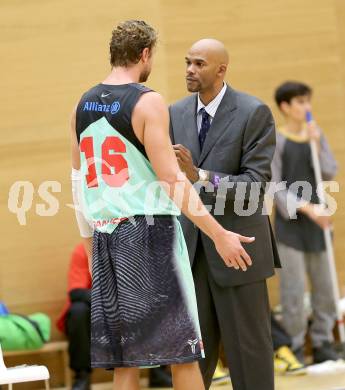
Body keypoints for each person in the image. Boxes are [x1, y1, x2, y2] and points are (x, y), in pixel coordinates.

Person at [70, 21, 255, 390]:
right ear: (145, 54)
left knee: (126, 363)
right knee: (182, 355)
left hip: (107, 237)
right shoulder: (147, 100)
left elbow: (77, 182)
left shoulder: (82, 104)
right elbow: (173, 181)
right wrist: (218, 234)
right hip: (149, 236)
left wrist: (91, 246)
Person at [169, 39, 281, 390]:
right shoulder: (173, 113)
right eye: (188, 62)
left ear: (221, 69)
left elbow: (256, 185)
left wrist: (199, 175)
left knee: (249, 352)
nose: (190, 69)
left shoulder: (253, 112)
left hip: (240, 248)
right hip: (192, 251)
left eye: (199, 63)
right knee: (191, 357)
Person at [271, 81, 339, 364]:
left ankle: (323, 343)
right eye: (300, 102)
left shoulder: (315, 134)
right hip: (292, 226)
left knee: (325, 286)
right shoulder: (277, 139)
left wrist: (318, 143)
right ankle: (297, 346)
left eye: (307, 101)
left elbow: (329, 171)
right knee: (294, 289)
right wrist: (307, 208)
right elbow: (274, 186)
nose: (306, 107)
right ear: (285, 107)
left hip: (318, 224)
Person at [56, 243, 172, 390]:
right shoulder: (83, 250)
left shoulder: (132, 247)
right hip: (93, 316)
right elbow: (76, 293)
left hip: (126, 313)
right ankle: (82, 377)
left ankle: (158, 371)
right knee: (78, 311)